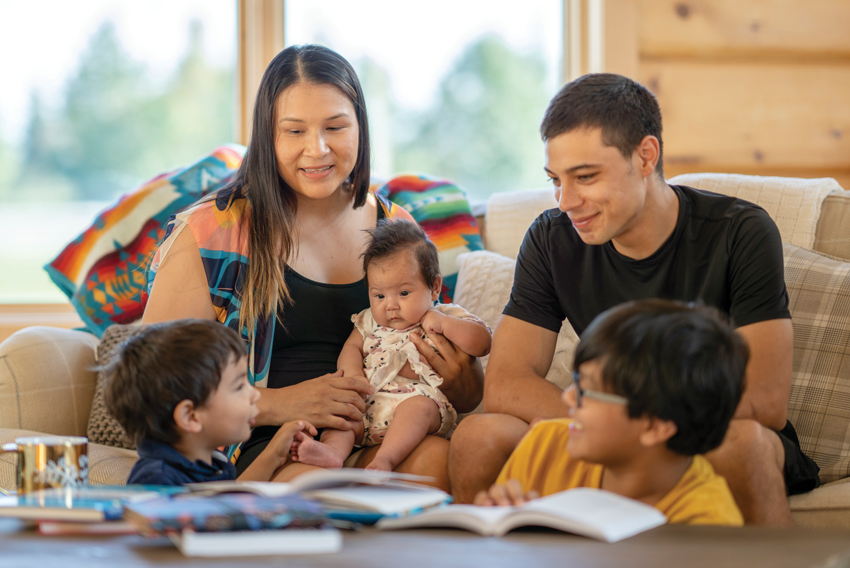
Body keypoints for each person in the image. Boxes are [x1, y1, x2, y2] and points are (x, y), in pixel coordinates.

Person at [448, 73, 819, 525]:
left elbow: (764, 400)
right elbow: (506, 384)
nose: (565, 201)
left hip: (706, 428)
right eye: (555, 180)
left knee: (742, 444)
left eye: (584, 177)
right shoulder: (551, 238)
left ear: (646, 156)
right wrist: (604, 427)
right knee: (479, 435)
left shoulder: (740, 232)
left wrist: (633, 426)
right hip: (605, 425)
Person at [142, 44, 483, 490]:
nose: (316, 149)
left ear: (360, 127)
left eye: (335, 126)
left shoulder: (397, 228)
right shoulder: (214, 231)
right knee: (320, 489)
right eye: (294, 131)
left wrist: (462, 380)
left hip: (381, 424)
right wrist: (279, 404)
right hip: (266, 442)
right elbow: (152, 384)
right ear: (269, 136)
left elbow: (461, 374)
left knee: (436, 462)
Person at [474, 300, 746, 526]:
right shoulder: (543, 445)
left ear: (655, 426)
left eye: (585, 391)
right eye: (575, 382)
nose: (567, 396)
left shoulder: (707, 524)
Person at [291, 220, 491, 471]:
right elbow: (351, 348)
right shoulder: (368, 320)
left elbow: (482, 343)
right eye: (379, 295)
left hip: (417, 400)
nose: (390, 305)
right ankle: (331, 453)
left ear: (434, 288)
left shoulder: (445, 315)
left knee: (418, 409)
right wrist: (353, 375)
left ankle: (385, 459)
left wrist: (444, 323)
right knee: (343, 417)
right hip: (369, 403)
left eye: (404, 293)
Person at [104, 319, 317, 485]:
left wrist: (274, 454)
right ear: (191, 416)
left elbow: (227, 499)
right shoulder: (156, 479)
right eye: (239, 387)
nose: (255, 395)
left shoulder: (211, 461)